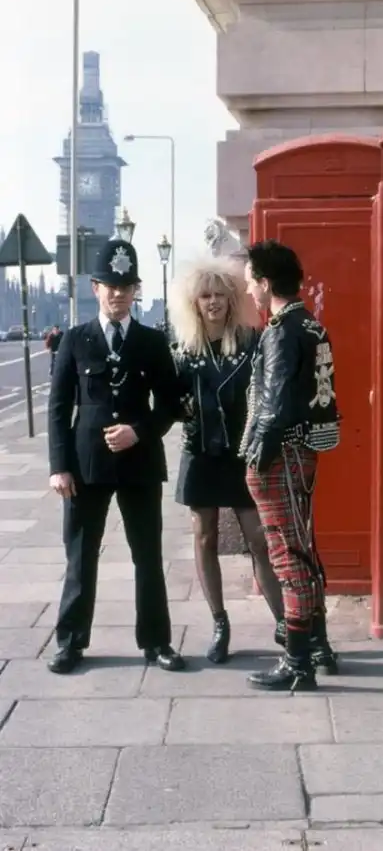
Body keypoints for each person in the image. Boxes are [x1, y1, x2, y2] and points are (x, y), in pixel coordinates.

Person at [47, 238, 185, 674]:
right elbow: (58, 407)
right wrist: (59, 467)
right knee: (81, 555)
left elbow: (171, 404)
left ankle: (157, 641)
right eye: (110, 286)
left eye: (126, 286)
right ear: (95, 288)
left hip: (139, 463)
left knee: (148, 555)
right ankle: (70, 642)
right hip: (86, 466)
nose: (118, 294)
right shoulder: (75, 340)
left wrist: (138, 431)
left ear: (136, 290)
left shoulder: (152, 342)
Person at [168, 254, 286, 663]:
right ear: (194, 303)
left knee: (258, 538)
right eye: (205, 296)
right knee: (204, 537)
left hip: (242, 454)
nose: (213, 302)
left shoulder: (252, 342)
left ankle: (284, 623)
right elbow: (166, 402)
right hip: (200, 453)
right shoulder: (182, 351)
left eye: (220, 294)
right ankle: (220, 624)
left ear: (232, 299)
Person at [241, 239, 340, 691]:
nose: (249, 291)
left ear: (265, 283)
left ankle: (298, 663)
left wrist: (257, 454)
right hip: (305, 451)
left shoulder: (280, 330)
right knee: (302, 546)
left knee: (286, 554)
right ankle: (318, 647)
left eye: (250, 282)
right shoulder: (312, 324)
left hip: (279, 454)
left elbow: (275, 402)